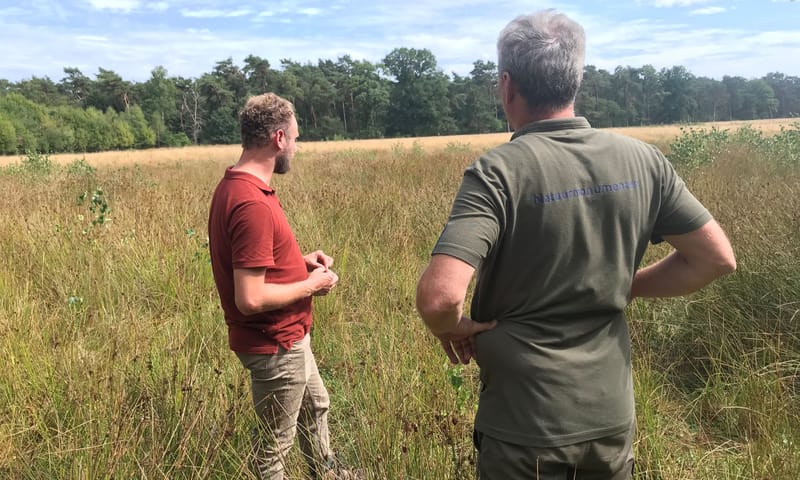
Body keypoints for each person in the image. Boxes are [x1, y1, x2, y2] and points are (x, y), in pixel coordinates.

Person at [415, 10, 736, 480]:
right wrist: (627, 286)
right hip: (609, 418)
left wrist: (457, 327)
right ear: (574, 80)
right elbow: (716, 259)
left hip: (525, 424)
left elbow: (439, 298)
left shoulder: (498, 172)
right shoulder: (644, 160)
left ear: (507, 86)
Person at [208, 93, 356, 480]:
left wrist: (298, 262)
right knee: (274, 451)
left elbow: (255, 265)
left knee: (316, 407)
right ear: (278, 139)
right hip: (276, 346)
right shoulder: (251, 204)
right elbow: (251, 297)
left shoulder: (235, 186)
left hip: (287, 338)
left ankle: (328, 474)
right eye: (295, 136)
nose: (297, 145)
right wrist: (311, 284)